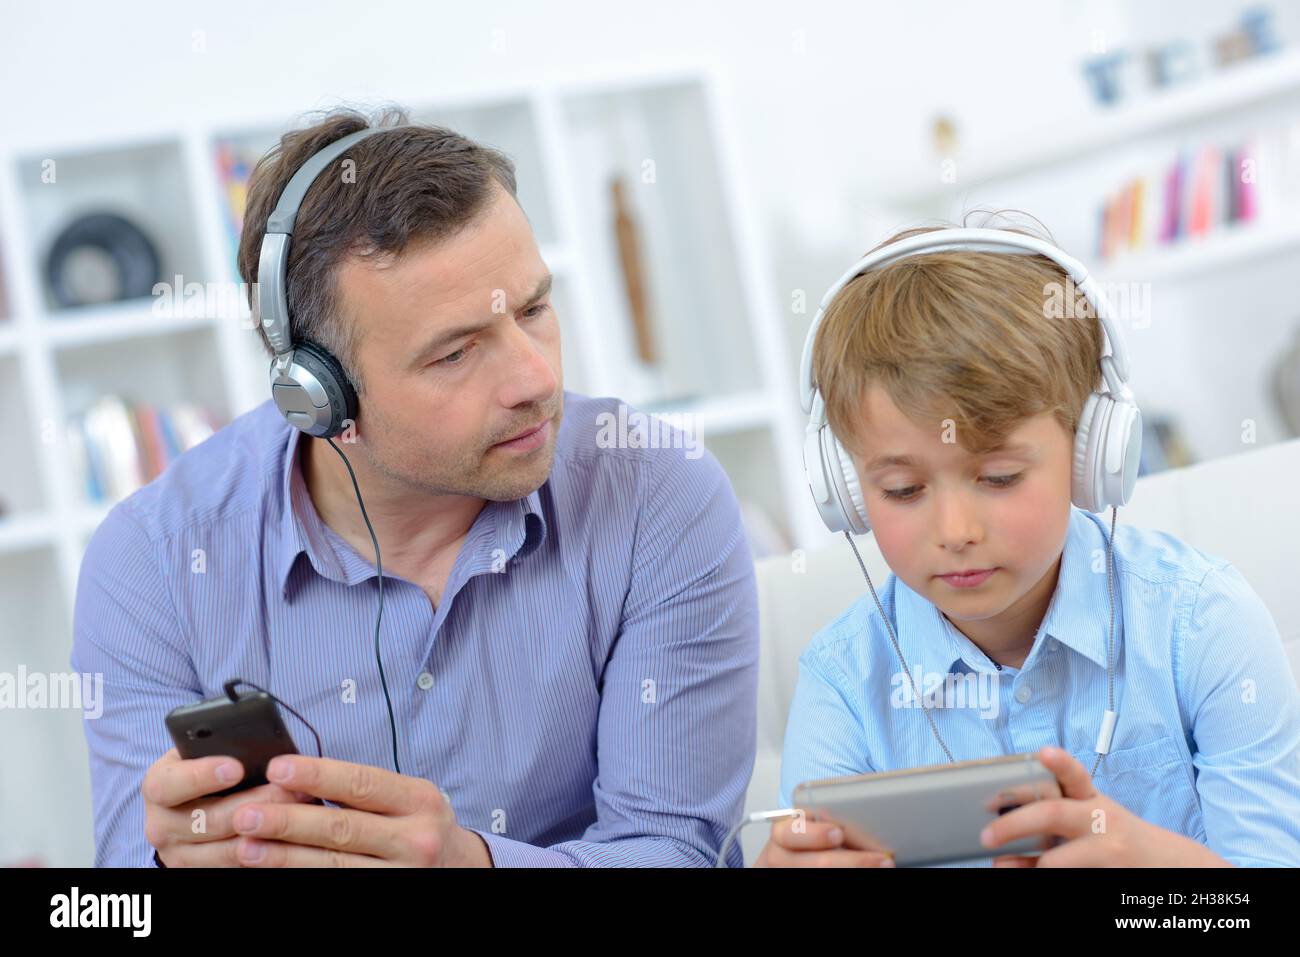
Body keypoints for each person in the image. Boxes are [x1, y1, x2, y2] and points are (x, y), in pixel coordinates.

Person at [71, 107, 758, 868]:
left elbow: (677, 849)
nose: (536, 379)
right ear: (320, 394)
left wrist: (478, 866)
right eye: (455, 353)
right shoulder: (155, 562)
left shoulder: (657, 493)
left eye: (534, 308)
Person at [757, 222, 1300, 867]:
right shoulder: (844, 683)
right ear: (844, 488)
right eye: (903, 490)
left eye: (999, 477)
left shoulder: (1203, 622)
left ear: (1092, 453)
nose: (956, 532)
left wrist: (1156, 876)